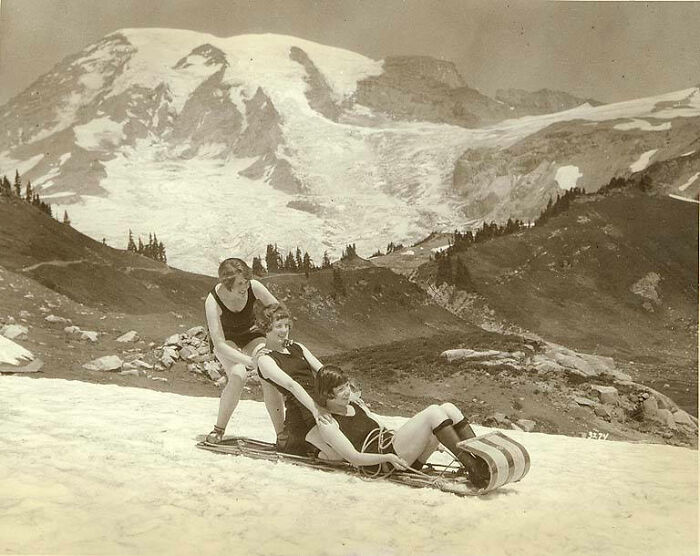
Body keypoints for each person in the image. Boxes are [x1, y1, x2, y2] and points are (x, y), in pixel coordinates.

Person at [306, 366, 491, 488]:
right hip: (385, 462)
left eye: (347, 386)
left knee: (448, 408)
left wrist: (438, 436)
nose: (347, 392)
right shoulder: (328, 424)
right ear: (327, 394)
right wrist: (387, 456)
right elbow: (354, 458)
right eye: (340, 390)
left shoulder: (353, 404)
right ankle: (474, 468)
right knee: (434, 411)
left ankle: (481, 457)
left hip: (395, 450)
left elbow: (381, 428)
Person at [204, 258, 284, 444]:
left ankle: (282, 435)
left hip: (251, 334)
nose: (245, 286)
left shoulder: (254, 287)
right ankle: (219, 429)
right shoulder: (212, 301)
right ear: (227, 282)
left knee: (268, 372)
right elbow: (220, 343)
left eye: (247, 280)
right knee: (238, 375)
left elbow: (279, 310)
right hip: (227, 340)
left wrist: (277, 334)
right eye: (240, 283)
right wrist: (249, 362)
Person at [253, 301, 331, 455]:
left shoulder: (298, 347)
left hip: (320, 406)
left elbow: (323, 371)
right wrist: (317, 410)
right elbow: (291, 385)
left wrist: (348, 392)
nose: (284, 330)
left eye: (286, 325)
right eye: (278, 326)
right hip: (303, 416)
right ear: (266, 328)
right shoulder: (265, 359)